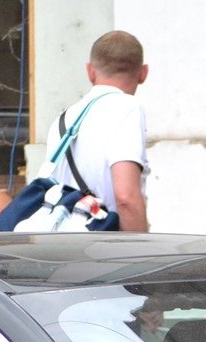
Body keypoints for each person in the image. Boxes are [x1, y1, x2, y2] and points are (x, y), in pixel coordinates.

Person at [45, 30, 150, 232]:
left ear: (90, 71)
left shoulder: (63, 119)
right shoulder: (127, 108)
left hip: (60, 247)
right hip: (103, 249)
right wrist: (142, 253)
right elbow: (126, 198)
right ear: (143, 73)